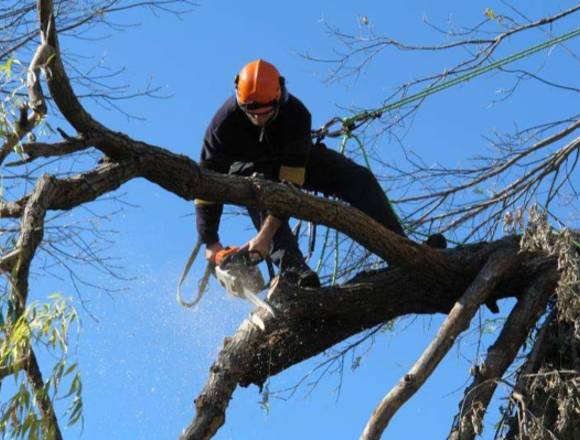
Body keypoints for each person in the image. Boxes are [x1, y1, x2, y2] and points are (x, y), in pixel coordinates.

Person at [195, 59, 429, 289]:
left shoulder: (296, 115)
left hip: (289, 163)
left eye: (264, 112)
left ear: (277, 97)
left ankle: (403, 250)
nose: (257, 117)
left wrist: (264, 237)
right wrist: (211, 242)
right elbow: (205, 183)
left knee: (358, 179)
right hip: (247, 172)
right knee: (259, 189)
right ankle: (294, 269)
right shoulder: (222, 126)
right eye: (251, 112)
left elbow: (290, 187)